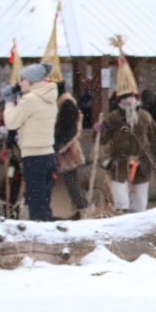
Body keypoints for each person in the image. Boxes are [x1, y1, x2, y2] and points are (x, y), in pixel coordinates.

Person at [97, 54, 156, 213]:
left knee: (139, 204)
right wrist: (99, 130)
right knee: (121, 203)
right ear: (120, 100)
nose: (129, 100)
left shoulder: (144, 116)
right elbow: (102, 139)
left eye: (131, 96)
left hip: (141, 164)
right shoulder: (113, 118)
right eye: (125, 97)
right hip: (119, 163)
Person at [3, 62, 58, 221]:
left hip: (33, 156)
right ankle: (48, 231)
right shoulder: (49, 96)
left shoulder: (31, 99)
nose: (20, 83)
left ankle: (39, 237)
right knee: (44, 201)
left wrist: (8, 102)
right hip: (48, 154)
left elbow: (12, 122)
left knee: (35, 203)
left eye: (23, 80)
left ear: (32, 81)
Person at [53, 84, 88, 218]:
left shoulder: (66, 104)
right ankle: (63, 212)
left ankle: (80, 211)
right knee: (69, 183)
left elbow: (70, 130)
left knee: (71, 183)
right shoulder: (61, 102)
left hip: (66, 152)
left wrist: (58, 146)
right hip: (60, 149)